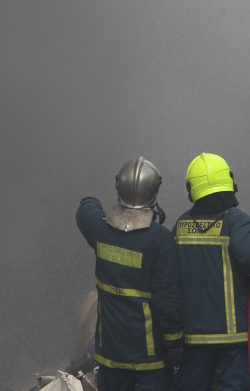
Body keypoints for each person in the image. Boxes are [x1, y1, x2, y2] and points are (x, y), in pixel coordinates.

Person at [77, 158, 184, 391]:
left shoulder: (99, 228)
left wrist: (91, 200)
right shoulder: (160, 239)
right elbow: (167, 298)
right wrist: (174, 342)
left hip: (110, 353)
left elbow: (85, 209)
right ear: (154, 191)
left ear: (119, 187)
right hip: (149, 357)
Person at [175, 153, 250, 391]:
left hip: (194, 335)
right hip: (236, 336)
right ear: (228, 181)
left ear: (192, 189)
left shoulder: (180, 225)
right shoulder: (236, 221)